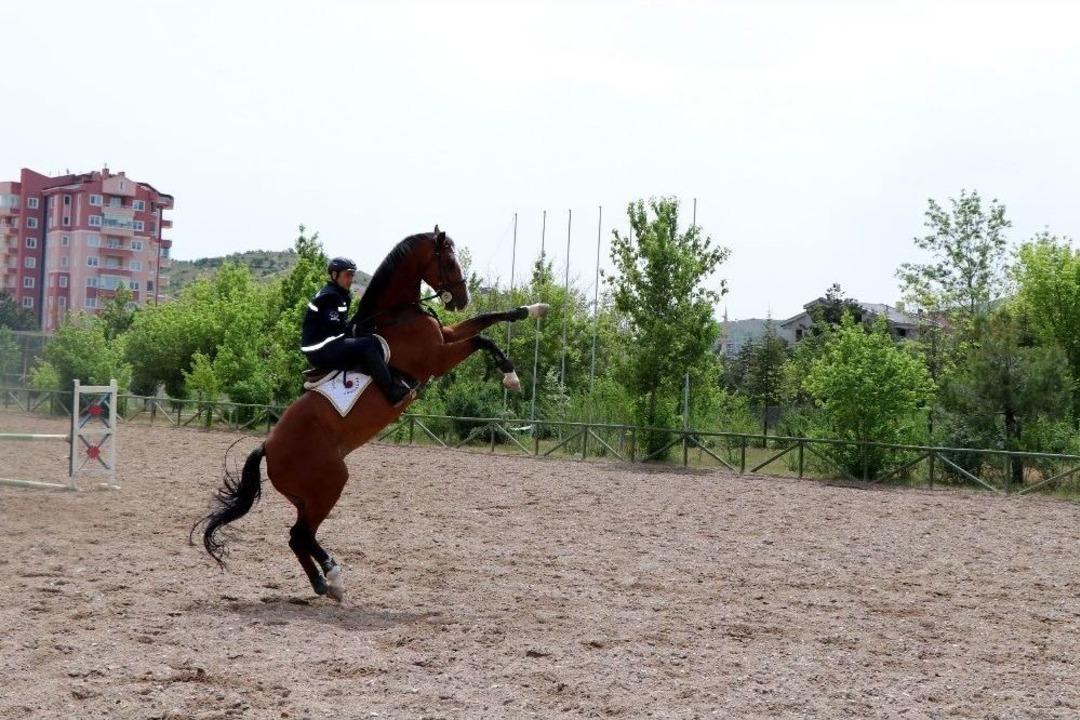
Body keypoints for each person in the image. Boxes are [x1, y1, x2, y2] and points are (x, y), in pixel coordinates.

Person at [301, 257, 414, 407]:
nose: (350, 279)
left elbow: (339, 327)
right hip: (320, 350)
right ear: (334, 275)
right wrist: (354, 331)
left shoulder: (339, 293)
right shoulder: (330, 296)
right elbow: (335, 329)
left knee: (373, 340)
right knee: (367, 345)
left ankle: (385, 376)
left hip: (328, 344)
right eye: (347, 275)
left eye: (352, 275)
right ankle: (391, 392)